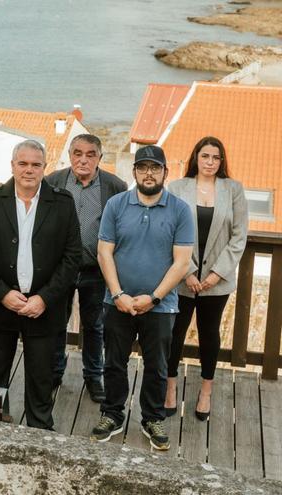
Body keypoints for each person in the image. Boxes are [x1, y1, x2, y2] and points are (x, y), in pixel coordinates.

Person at [0, 140, 81, 430]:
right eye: (23, 163)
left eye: (36, 164)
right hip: (0, 305)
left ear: (45, 167)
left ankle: (39, 430)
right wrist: (3, 293)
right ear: (12, 166)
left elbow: (72, 257)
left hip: (44, 308)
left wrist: (44, 298)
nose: (29, 170)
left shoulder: (63, 203)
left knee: (41, 378)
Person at [89, 145, 193, 451]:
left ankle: (152, 418)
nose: (149, 173)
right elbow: (103, 251)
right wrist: (118, 293)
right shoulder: (117, 205)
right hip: (117, 301)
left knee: (157, 365)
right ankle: (112, 414)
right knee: (115, 362)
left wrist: (155, 298)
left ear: (165, 172)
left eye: (155, 168)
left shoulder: (180, 210)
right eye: (143, 167)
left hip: (161, 305)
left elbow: (182, 262)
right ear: (134, 172)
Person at [165, 137, 247, 421]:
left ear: (221, 161)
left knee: (209, 334)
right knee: (175, 333)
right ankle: (171, 386)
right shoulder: (177, 188)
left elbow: (239, 236)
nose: (210, 162)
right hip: (181, 277)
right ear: (195, 158)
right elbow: (169, 231)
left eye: (216, 157)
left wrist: (216, 274)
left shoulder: (233, 190)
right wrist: (186, 271)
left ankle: (206, 391)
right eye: (205, 156)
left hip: (217, 281)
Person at [45, 134, 127, 402]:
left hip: (97, 269)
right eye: (77, 153)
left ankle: (93, 377)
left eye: (90, 154)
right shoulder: (54, 181)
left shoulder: (115, 186)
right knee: (57, 322)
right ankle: (54, 372)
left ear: (100, 158)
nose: (83, 159)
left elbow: (124, 228)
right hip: (60, 268)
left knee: (95, 326)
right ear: (70, 156)